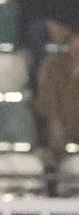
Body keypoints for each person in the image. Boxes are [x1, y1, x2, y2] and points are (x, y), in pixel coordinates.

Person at [32, 32, 79, 195]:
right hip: (59, 124)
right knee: (55, 136)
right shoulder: (54, 66)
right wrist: (56, 122)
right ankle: (55, 188)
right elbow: (48, 100)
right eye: (74, 46)